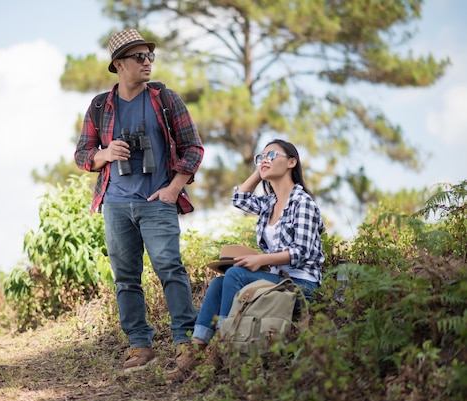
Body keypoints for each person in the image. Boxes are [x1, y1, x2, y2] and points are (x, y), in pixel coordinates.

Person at [74, 29, 204, 373]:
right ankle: (139, 345)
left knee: (170, 269)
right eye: (138, 57)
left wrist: (174, 188)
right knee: (126, 278)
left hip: (157, 199)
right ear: (118, 64)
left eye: (150, 56)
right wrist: (105, 153)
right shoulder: (101, 106)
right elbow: (81, 155)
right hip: (115, 203)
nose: (147, 62)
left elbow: (193, 147)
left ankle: (184, 340)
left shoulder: (165, 99)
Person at [165, 139, 325, 379]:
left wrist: (262, 260)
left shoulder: (302, 203)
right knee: (219, 283)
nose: (265, 159)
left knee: (235, 274)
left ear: (292, 162)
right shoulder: (270, 203)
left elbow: (303, 252)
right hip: (276, 280)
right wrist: (260, 170)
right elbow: (239, 199)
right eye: (261, 156)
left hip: (302, 286)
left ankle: (223, 346)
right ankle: (196, 352)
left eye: (272, 154)